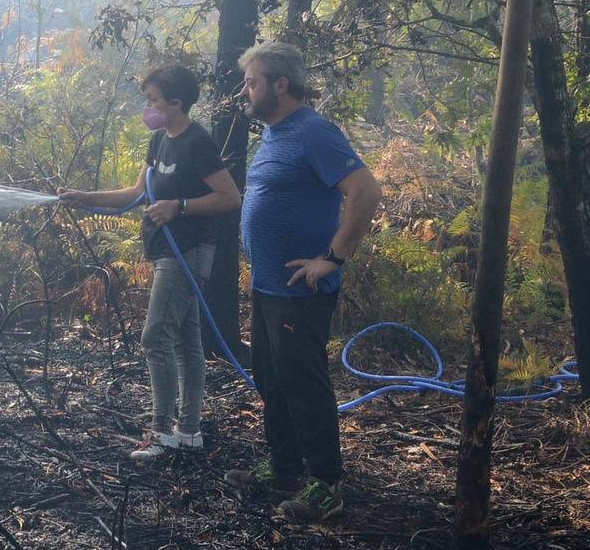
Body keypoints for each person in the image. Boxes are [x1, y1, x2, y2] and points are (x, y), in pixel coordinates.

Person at [226, 41, 382, 523]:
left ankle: (327, 484)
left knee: (303, 382)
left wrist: (331, 259)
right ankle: (285, 467)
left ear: (280, 85)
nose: (245, 91)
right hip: (270, 287)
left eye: (252, 82)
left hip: (301, 291)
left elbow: (365, 190)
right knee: (272, 378)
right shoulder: (275, 132)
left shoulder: (314, 132)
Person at [60, 64, 243, 462]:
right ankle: (189, 431)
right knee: (186, 342)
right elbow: (138, 192)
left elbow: (230, 197)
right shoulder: (160, 139)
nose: (148, 107)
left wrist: (180, 207)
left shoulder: (197, 142)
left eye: (153, 101)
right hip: (165, 249)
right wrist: (84, 197)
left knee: (155, 337)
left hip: (188, 252)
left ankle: (162, 432)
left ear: (176, 103)